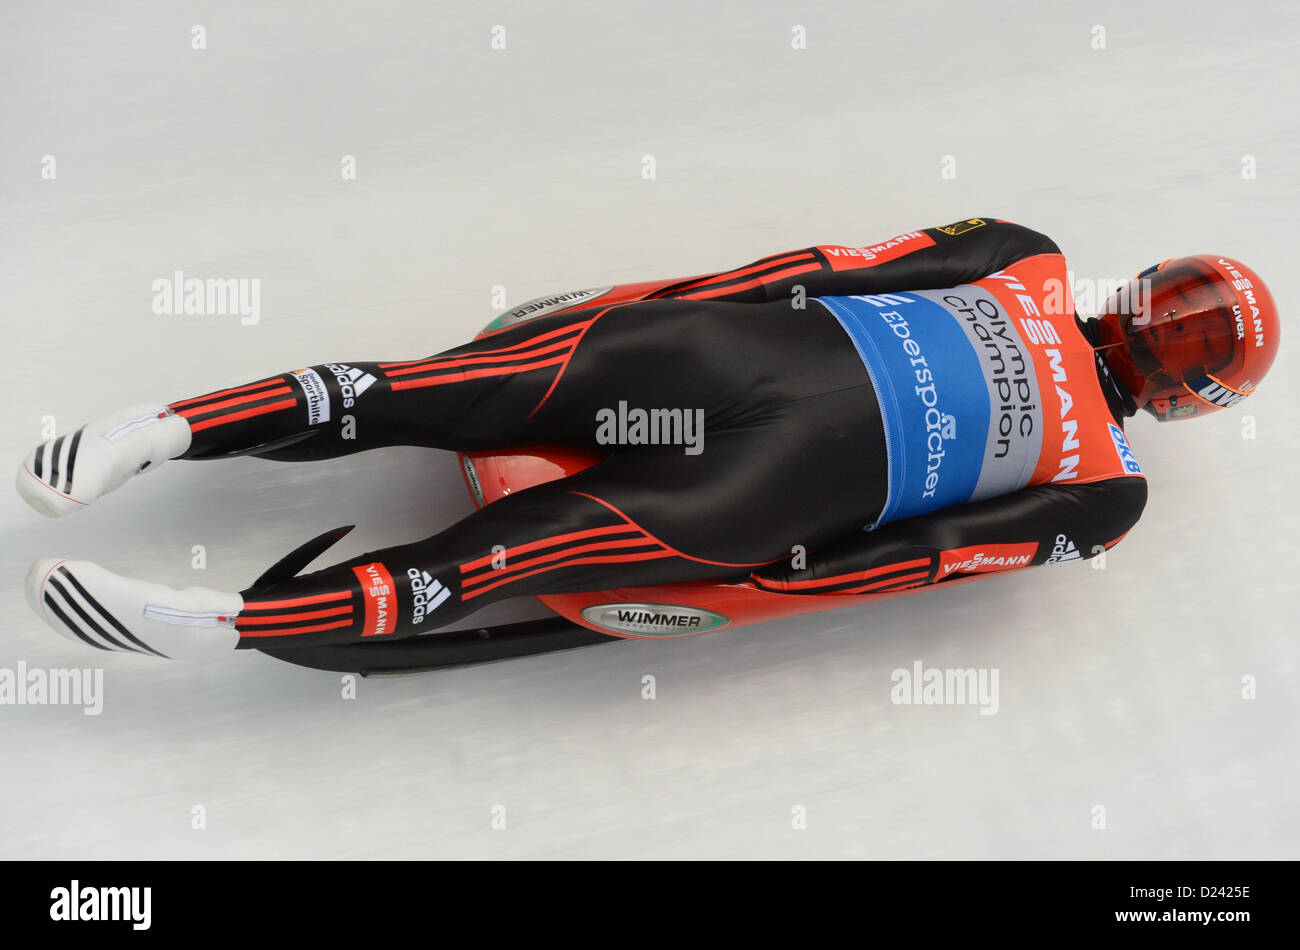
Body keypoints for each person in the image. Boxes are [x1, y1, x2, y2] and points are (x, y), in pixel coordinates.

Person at [17, 218, 1279, 660]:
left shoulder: (1030, 273)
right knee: (491, 559)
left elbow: (815, 272)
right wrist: (783, 575)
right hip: (754, 461)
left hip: (716, 373)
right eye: (1175, 325)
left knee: (426, 389)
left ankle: (174, 446)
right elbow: (933, 553)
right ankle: (216, 598)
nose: (1155, 342)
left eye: (1179, 338)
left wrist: (668, 314)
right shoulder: (1097, 479)